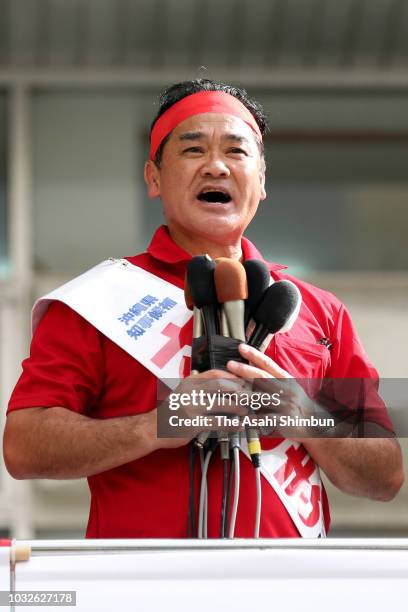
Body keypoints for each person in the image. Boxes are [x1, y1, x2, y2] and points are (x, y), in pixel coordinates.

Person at [3, 79, 404, 539]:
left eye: (236, 152)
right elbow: (23, 447)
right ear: (153, 177)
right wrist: (157, 425)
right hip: (139, 590)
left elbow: (386, 475)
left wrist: (303, 414)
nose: (216, 166)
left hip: (292, 589)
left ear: (262, 179)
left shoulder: (320, 310)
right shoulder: (94, 301)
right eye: (193, 151)